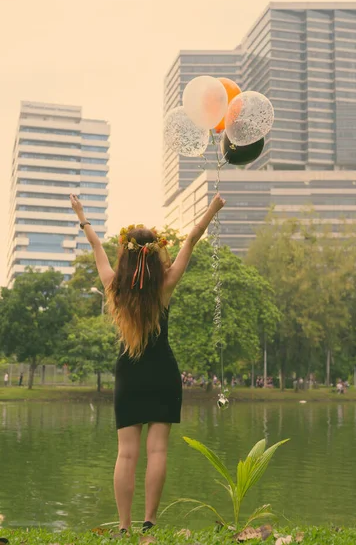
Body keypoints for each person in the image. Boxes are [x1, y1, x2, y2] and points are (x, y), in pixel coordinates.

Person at [70, 191, 226, 536]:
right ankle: (150, 522)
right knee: (157, 451)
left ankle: (124, 527)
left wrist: (82, 216)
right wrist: (211, 209)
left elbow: (96, 246)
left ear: (125, 257)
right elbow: (192, 239)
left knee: (126, 455)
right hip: (163, 376)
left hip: (129, 376)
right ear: (155, 255)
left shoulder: (114, 287)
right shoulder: (165, 286)